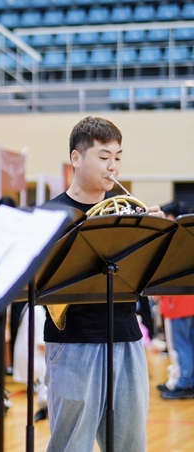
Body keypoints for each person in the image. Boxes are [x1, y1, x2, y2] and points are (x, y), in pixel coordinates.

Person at [43, 116, 164, 451]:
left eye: (118, 157)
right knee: (71, 445)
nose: (113, 166)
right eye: (104, 156)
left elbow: (146, 277)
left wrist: (155, 237)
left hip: (126, 337)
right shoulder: (49, 215)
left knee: (130, 445)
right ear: (76, 158)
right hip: (74, 341)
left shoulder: (130, 214)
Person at [156, 202, 194, 400]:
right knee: (188, 344)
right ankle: (186, 380)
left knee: (179, 346)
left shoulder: (176, 240)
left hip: (178, 302)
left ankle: (183, 382)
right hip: (187, 300)